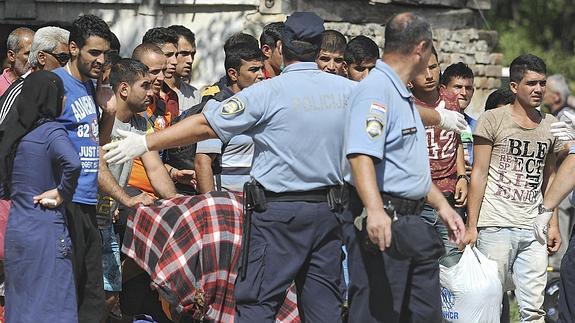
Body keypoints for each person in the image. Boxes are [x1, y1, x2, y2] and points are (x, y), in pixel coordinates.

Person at [104, 12, 357, 323]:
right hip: (329, 214)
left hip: (278, 215)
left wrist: (145, 143)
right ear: (320, 49)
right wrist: (438, 118)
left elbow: (204, 124)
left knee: (258, 305)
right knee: (324, 307)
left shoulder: (267, 92)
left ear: (281, 46)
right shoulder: (350, 93)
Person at [342, 12, 465, 323]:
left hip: (412, 221)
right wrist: (374, 209)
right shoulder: (377, 90)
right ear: (421, 48)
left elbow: (407, 167)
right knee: (379, 312)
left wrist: (443, 207)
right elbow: (360, 155)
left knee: (423, 314)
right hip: (385, 219)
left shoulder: (401, 95)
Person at [462, 54, 564, 322]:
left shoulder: (550, 125)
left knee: (533, 309)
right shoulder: (493, 120)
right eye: (531, 83)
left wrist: (553, 224)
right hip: (495, 224)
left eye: (542, 83)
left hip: (534, 228)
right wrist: (472, 225)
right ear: (514, 87)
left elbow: (550, 178)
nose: (539, 89)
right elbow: (479, 174)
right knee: (490, 303)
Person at [97, 58, 179, 321]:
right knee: (98, 292)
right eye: (144, 85)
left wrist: (178, 203)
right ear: (123, 89)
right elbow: (97, 168)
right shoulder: (101, 118)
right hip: (87, 216)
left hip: (109, 218)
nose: (152, 90)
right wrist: (125, 200)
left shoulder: (142, 123)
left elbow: (155, 169)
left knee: (111, 290)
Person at [0, 71, 81, 322]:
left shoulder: (14, 136)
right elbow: (74, 163)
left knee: (21, 306)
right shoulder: (51, 132)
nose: (65, 98)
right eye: (61, 93)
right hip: (46, 229)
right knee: (53, 306)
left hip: (17, 229)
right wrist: (62, 192)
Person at [52, 14, 114, 322]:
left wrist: (110, 112)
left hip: (89, 201)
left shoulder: (90, 87)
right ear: (74, 48)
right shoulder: (55, 85)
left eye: (105, 54)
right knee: (67, 290)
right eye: (94, 53)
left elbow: (95, 144)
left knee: (92, 296)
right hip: (65, 203)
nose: (101, 60)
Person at [411, 47, 468, 266]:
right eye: (420, 70)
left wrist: (462, 176)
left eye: (433, 67)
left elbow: (458, 139)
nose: (428, 75)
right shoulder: (406, 103)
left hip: (450, 198)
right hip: (419, 199)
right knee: (421, 264)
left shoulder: (451, 100)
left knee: (452, 263)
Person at [194, 34, 264, 193]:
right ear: (233, 74)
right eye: (253, 70)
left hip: (260, 203)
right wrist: (213, 204)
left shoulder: (263, 106)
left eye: (261, 69)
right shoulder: (216, 108)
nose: (260, 75)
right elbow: (202, 162)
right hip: (228, 202)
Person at [440, 62, 476, 166]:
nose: (464, 93)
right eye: (458, 87)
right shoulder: (432, 122)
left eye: (468, 88)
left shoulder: (477, 127)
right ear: (443, 89)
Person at [167, 25, 202, 114]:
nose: (190, 60)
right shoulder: (152, 92)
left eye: (193, 54)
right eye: (184, 54)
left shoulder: (195, 95)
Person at [0, 27, 34, 96]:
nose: (34, 59)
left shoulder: (40, 85)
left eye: (36, 53)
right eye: (28, 53)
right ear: (11, 56)